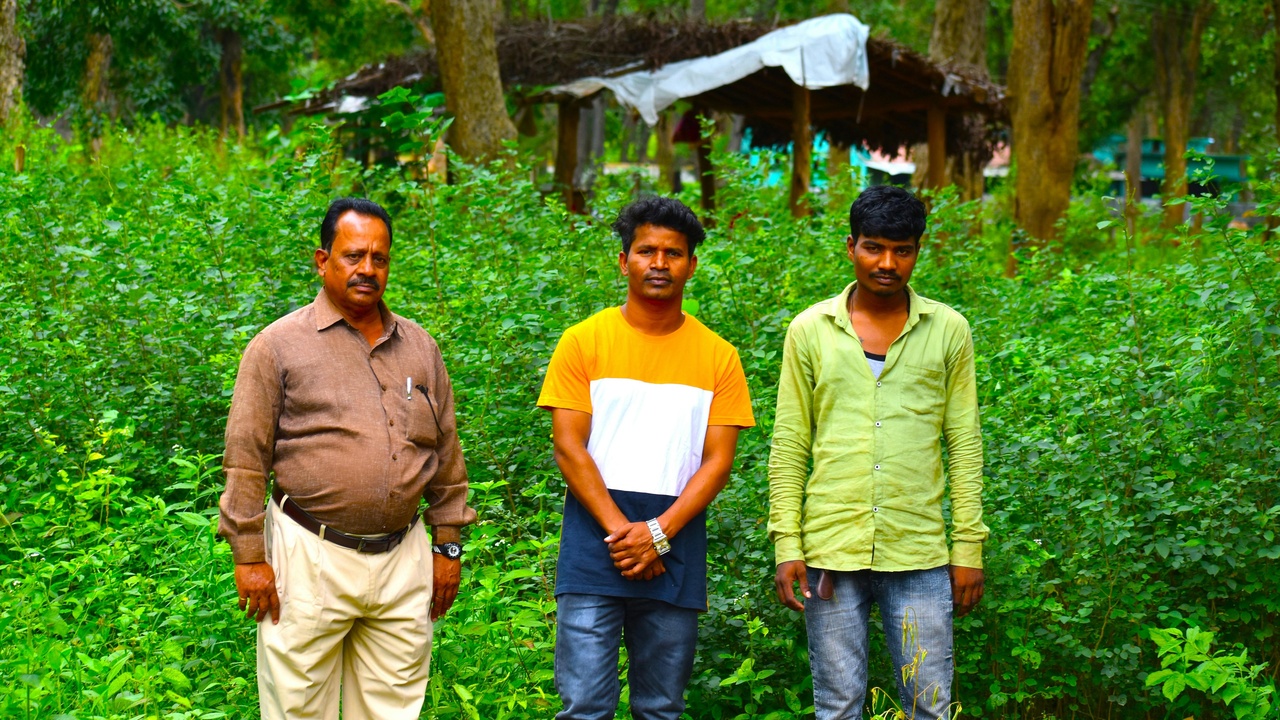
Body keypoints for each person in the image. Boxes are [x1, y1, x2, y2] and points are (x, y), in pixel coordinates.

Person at [217, 197, 476, 720]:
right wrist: (249, 555)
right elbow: (245, 459)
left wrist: (447, 547)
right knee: (297, 709)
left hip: (403, 556)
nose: (368, 269)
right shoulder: (277, 346)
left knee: (393, 708)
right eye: (353, 255)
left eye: (379, 258)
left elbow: (446, 455)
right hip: (309, 554)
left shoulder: (419, 347)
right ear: (322, 260)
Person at [767, 185, 988, 720]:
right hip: (830, 548)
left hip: (919, 551)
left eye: (902, 250)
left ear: (918, 251)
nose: (887, 263)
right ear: (851, 247)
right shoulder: (810, 330)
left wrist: (968, 548)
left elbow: (963, 444)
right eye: (874, 247)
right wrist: (786, 543)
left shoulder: (949, 330)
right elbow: (791, 443)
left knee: (929, 704)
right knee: (838, 706)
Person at [537, 196, 756, 720]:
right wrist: (627, 535)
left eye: (673, 253)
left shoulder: (719, 356)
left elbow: (718, 461)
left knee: (661, 708)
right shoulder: (582, 342)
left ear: (691, 265)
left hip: (676, 540)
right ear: (624, 261)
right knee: (585, 706)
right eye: (646, 251)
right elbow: (568, 446)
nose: (659, 263)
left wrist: (658, 533)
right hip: (594, 540)